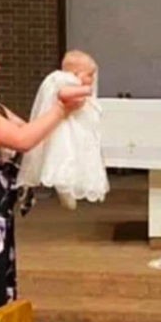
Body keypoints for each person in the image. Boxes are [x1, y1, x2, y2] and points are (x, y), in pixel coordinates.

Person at [0, 34, 89, 307]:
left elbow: (32, 132)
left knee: (1, 283)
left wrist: (65, 87)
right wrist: (60, 108)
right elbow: (21, 140)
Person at [16, 49, 109, 209]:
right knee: (64, 156)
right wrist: (86, 90)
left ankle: (71, 187)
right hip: (65, 130)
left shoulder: (76, 82)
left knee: (78, 157)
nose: (92, 80)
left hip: (78, 130)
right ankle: (63, 188)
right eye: (89, 75)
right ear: (75, 74)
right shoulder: (64, 80)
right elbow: (64, 93)